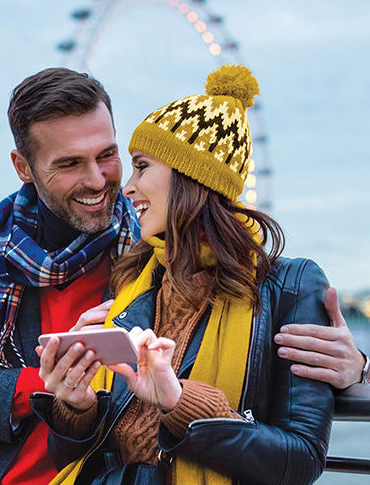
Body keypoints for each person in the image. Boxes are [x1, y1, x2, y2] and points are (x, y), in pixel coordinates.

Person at [0, 67, 368, 485]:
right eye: (69, 163)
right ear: (24, 167)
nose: (102, 181)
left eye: (108, 155)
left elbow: (265, 330)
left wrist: (356, 370)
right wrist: (46, 383)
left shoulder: (145, 251)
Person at [33, 65, 334, 485]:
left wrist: (180, 401)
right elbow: (72, 456)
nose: (127, 186)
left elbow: (300, 460)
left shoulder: (290, 286)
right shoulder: (134, 280)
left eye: (142, 167)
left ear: (190, 176)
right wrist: (75, 405)